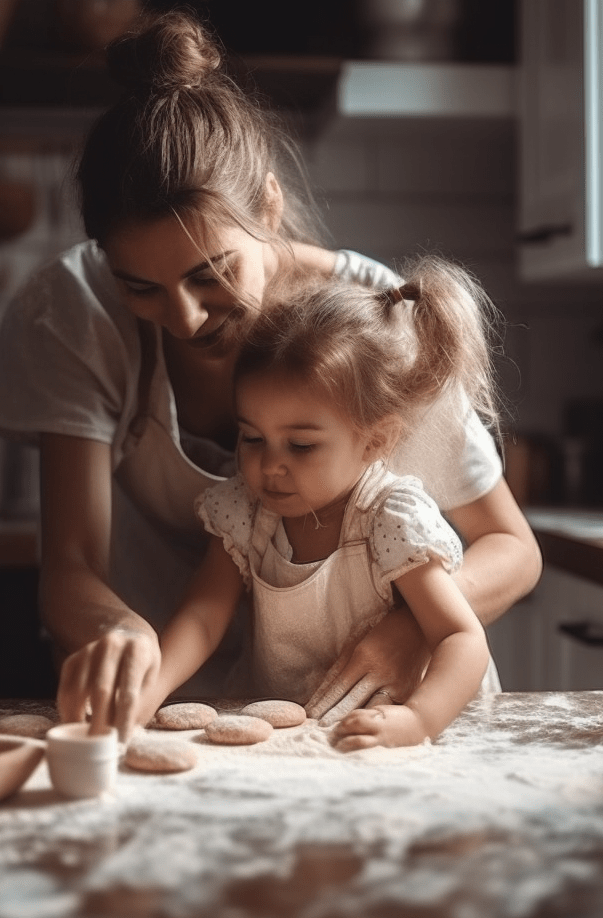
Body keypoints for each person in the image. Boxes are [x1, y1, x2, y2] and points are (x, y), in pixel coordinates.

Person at [0, 10, 541, 741]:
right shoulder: (76, 311)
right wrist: (123, 635)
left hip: (387, 706)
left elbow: (512, 548)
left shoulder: (374, 324)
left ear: (270, 205)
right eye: (140, 287)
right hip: (205, 709)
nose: (185, 319)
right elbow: (71, 566)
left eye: (212, 273)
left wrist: (412, 626)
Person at [138, 259, 502, 749]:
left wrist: (418, 720)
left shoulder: (389, 519)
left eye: (301, 445)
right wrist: (150, 688)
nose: (270, 466)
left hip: (393, 733)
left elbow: (461, 639)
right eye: (251, 437)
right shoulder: (246, 512)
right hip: (305, 734)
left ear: (375, 441)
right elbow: (203, 616)